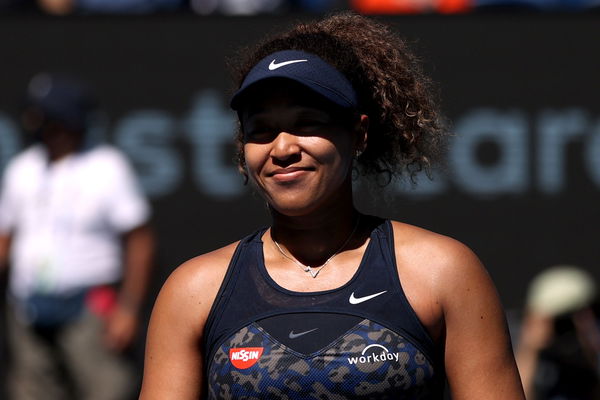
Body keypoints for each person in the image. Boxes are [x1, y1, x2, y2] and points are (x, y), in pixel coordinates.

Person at [140, 13, 524, 399]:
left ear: (358, 134)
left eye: (308, 123)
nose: (284, 148)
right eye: (262, 131)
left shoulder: (443, 271)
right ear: (243, 151)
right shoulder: (192, 290)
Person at [0, 73, 154, 400]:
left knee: (106, 391)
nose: (38, 124)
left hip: (89, 306)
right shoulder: (22, 168)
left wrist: (127, 309)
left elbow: (139, 241)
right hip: (28, 307)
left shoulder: (107, 167)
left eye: (47, 116)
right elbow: (5, 238)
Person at [516, 265, 600, 400]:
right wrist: (530, 349)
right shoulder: (531, 359)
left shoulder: (591, 346)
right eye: (559, 320)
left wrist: (589, 338)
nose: (565, 327)